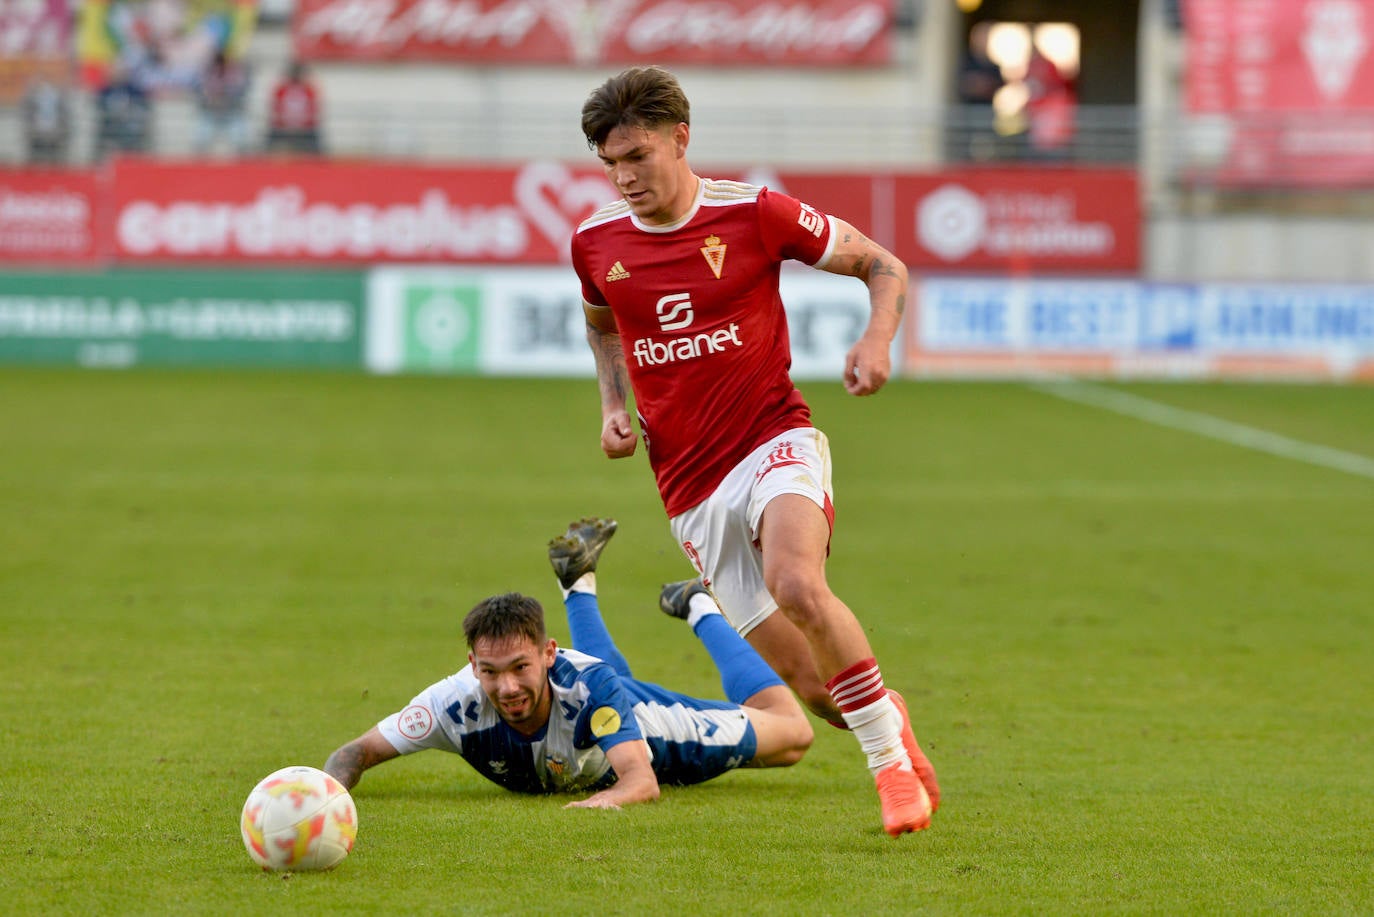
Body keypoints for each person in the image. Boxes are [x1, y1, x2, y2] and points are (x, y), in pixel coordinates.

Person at [571, 66, 940, 836]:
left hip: (775, 437)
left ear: (681, 138)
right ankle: (886, 716)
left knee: (797, 581)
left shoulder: (756, 214)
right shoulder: (596, 241)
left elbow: (883, 264)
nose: (625, 175)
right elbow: (604, 322)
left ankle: (890, 774)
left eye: (638, 155)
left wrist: (877, 340)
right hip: (689, 486)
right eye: (612, 163)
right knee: (812, 690)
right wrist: (614, 404)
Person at [324, 518, 813, 807]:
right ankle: (579, 585)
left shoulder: (586, 682)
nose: (507, 687)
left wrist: (601, 803)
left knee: (793, 735)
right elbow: (357, 752)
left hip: (656, 733)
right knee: (605, 684)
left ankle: (702, 607)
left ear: (548, 653)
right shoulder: (452, 706)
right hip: (599, 702)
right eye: (490, 672)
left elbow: (640, 782)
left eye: (520, 667)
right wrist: (323, 792)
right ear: (472, 665)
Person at [193, 49, 250, 157]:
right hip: (211, 113)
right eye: (217, 63)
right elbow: (202, 94)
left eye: (221, 63)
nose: (219, 66)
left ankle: (242, 162)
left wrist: (222, 97)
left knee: (240, 139)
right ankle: (199, 163)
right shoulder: (207, 75)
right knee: (200, 139)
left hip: (231, 113)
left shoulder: (234, 74)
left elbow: (240, 91)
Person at [265, 60, 323, 155]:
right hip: (283, 127)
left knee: (316, 141)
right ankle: (263, 159)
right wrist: (286, 123)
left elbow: (314, 110)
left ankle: (319, 162)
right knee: (269, 138)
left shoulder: (309, 90)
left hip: (305, 128)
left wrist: (301, 124)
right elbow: (275, 108)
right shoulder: (281, 90)